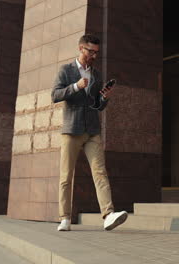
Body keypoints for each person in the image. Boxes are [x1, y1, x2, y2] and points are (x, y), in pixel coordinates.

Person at [51, 34, 127, 231]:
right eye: (90, 51)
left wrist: (105, 98)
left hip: (92, 130)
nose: (93, 55)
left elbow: (97, 106)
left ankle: (108, 215)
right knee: (66, 176)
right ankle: (65, 218)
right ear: (80, 48)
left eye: (96, 53)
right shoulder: (66, 70)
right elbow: (55, 95)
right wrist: (76, 86)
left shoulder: (96, 74)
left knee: (100, 172)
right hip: (71, 130)